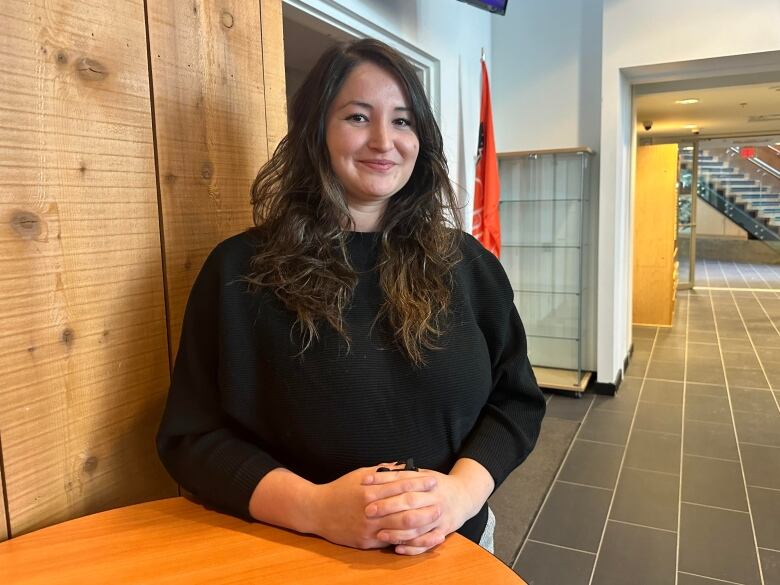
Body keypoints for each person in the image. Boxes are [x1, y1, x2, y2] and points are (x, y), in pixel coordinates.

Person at [156, 38, 545, 557]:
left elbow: (515, 402)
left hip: (455, 550)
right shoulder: (238, 271)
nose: (384, 140)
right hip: (293, 552)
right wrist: (315, 508)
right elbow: (192, 437)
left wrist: (459, 495)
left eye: (403, 121)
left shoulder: (470, 267)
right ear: (316, 131)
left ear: (422, 140)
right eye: (358, 117)